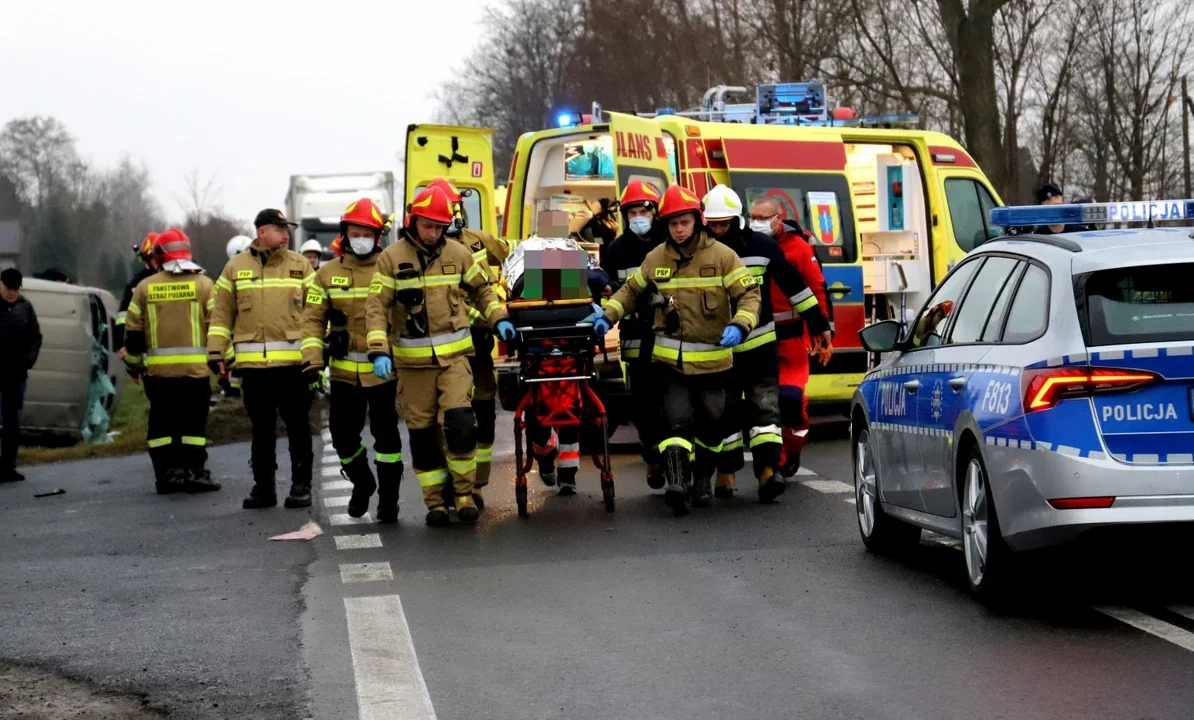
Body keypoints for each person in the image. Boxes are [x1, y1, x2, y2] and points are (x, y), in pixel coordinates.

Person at [595, 185, 761, 516]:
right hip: (669, 363)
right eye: (673, 224)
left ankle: (702, 480)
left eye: (684, 222)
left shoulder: (723, 257)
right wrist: (607, 315)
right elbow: (630, 291)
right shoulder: (656, 257)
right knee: (676, 422)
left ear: (697, 221)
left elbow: (749, 297)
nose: (679, 229)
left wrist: (741, 324)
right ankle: (676, 484)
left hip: (714, 364)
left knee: (712, 428)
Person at [365, 186, 515, 527]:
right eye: (428, 225)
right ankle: (435, 502)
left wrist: (499, 318)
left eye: (440, 226)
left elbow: (481, 289)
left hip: (455, 360)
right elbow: (376, 307)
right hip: (412, 365)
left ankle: (464, 494)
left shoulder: (458, 253)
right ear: (413, 221)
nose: (434, 233)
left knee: (462, 424)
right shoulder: (391, 258)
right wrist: (378, 350)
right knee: (422, 434)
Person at [703, 186, 832, 502]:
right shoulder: (700, 251)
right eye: (714, 224)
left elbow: (795, 287)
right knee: (725, 414)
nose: (719, 230)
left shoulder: (761, 247)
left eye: (724, 223)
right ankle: (727, 473)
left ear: (737, 220)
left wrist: (819, 325)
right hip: (721, 350)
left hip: (760, 345)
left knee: (766, 410)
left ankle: (767, 472)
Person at [302, 198, 404, 523]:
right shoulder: (325, 274)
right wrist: (313, 362)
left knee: (387, 439)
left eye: (367, 233)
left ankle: (389, 501)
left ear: (378, 236)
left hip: (385, 371)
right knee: (343, 438)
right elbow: (312, 320)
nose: (361, 238)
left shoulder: (391, 268)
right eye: (355, 232)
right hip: (345, 374)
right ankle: (363, 482)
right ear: (345, 234)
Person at [208, 208, 316, 510]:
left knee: (298, 427)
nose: (286, 234)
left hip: (295, 366)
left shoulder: (300, 266)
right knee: (261, 430)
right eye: (279, 229)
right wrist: (217, 353)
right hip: (255, 369)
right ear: (261, 232)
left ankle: (300, 485)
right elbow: (221, 315)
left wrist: (317, 353)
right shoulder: (235, 268)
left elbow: (318, 311)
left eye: (287, 230)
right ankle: (264, 488)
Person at [428, 177, 513, 506]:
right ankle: (452, 485)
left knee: (483, 412)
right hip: (444, 347)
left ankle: (476, 485)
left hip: (479, 345)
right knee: (448, 418)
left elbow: (512, 255)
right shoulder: (425, 254)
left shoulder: (479, 242)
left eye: (455, 209)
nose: (453, 216)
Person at [122, 230, 220, 494]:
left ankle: (167, 476)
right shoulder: (204, 285)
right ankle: (195, 474)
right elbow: (217, 329)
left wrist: (133, 364)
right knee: (193, 426)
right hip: (195, 374)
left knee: (162, 426)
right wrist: (223, 362)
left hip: (158, 375)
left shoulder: (144, 288)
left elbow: (132, 332)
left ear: (159, 255)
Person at [750, 195, 834, 478]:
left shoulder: (796, 248)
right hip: (754, 338)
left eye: (763, 218)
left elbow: (815, 289)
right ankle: (771, 462)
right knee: (757, 404)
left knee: (790, 400)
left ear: (779, 217)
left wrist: (823, 331)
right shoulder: (748, 245)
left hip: (790, 340)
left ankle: (793, 447)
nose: (757, 223)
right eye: (753, 218)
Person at [600, 180, 666, 488]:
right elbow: (612, 290)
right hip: (636, 333)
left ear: (655, 211)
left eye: (643, 210)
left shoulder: (670, 240)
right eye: (632, 212)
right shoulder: (616, 249)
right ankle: (653, 458)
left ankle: (679, 459)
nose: (637, 217)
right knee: (642, 402)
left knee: (674, 397)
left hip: (671, 331)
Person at [0, 268, 41, 483]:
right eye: (8, 289)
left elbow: (36, 337)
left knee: (12, 423)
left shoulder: (25, 308)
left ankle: (8, 466)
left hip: (16, 375)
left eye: (16, 289)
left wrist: (27, 360)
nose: (12, 293)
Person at [116, 233, 160, 350]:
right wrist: (123, 344)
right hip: (144, 353)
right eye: (155, 258)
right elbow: (123, 317)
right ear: (147, 259)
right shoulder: (135, 285)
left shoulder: (174, 280)